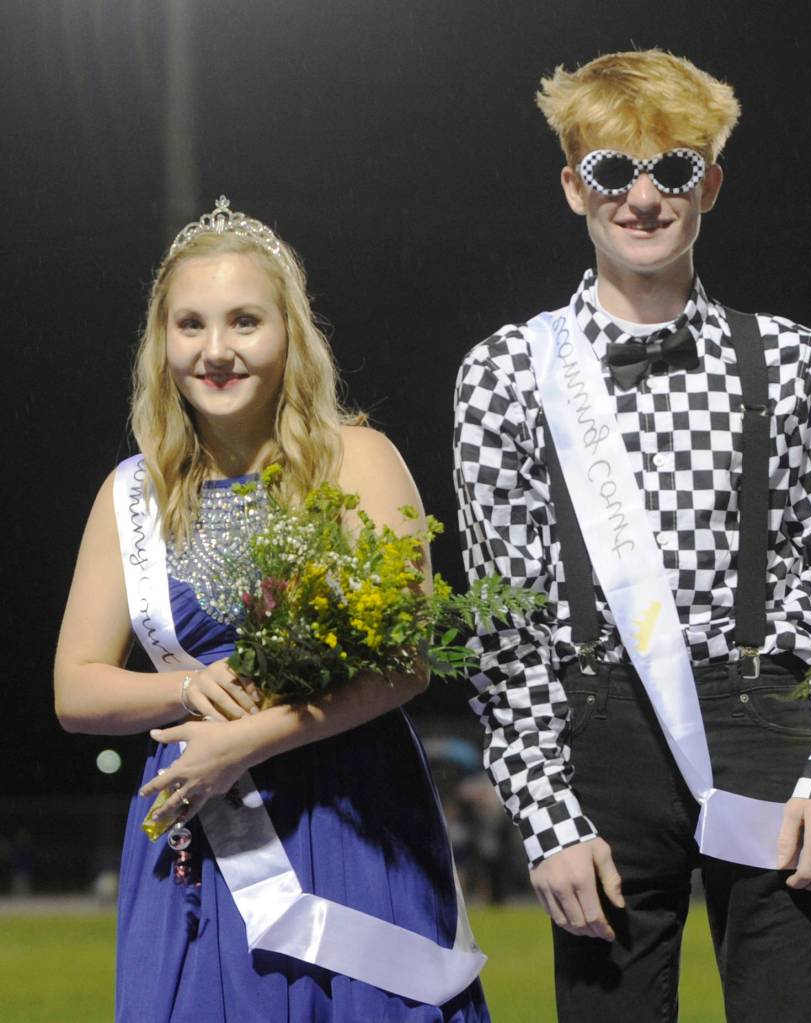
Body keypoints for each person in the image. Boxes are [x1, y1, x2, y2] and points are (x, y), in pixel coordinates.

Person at [453, 50, 811, 1022]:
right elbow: (503, 623)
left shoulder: (788, 357)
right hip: (593, 735)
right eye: (612, 170)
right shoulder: (505, 372)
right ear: (573, 186)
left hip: (770, 725)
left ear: (711, 185)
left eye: (673, 170)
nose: (642, 198)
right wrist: (546, 817)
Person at [55, 196, 489, 1022]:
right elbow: (75, 689)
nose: (217, 351)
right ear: (162, 345)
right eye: (191, 326)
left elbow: (405, 663)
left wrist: (246, 737)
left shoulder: (356, 458)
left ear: (290, 333)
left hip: (352, 815)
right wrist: (187, 693)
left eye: (245, 321)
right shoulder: (130, 496)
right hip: (202, 830)